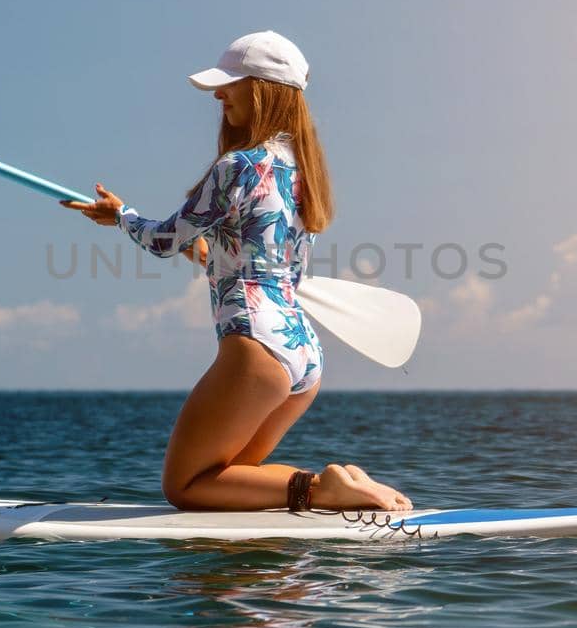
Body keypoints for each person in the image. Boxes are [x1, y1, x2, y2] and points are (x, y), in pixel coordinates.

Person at [63, 31, 412, 514]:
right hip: (302, 351)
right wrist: (199, 249)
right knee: (227, 483)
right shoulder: (302, 172)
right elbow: (246, 257)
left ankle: (322, 489)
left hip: (256, 345)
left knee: (185, 485)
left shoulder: (239, 166)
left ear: (264, 89)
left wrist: (122, 217)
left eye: (231, 83)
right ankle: (343, 484)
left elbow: (165, 240)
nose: (218, 94)